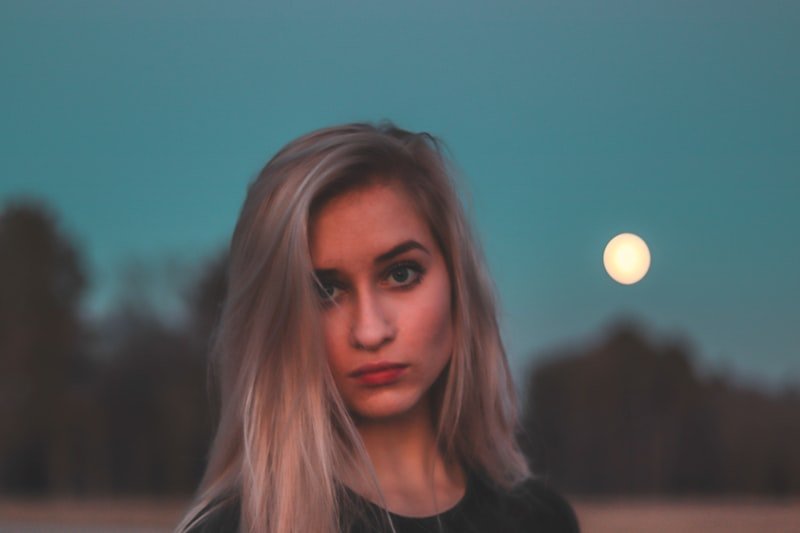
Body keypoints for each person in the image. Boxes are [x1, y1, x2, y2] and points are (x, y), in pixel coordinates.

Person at [177, 122, 579, 533]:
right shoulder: (236, 527)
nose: (370, 332)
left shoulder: (540, 520)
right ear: (278, 321)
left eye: (401, 274)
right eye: (324, 290)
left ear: (459, 284)